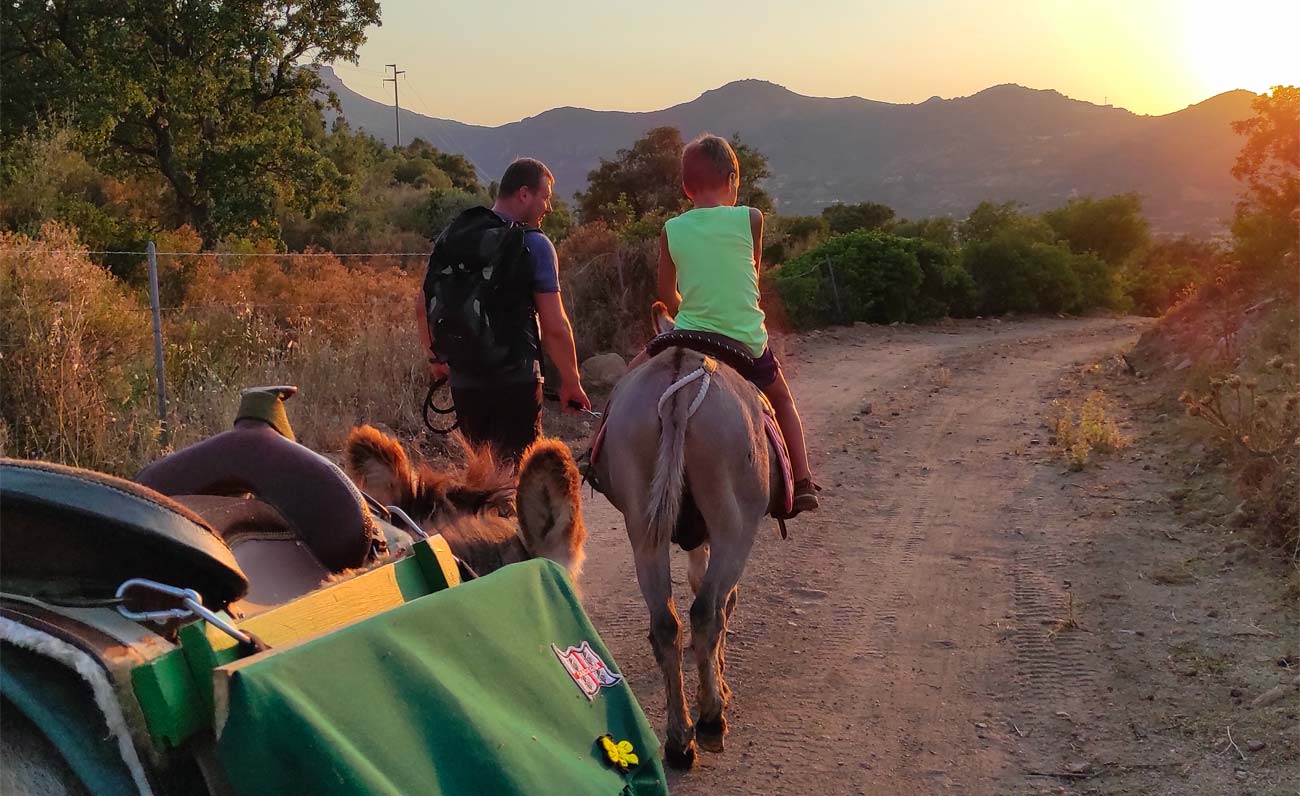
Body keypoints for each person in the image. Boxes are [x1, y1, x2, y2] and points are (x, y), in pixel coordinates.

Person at [645, 134, 819, 515]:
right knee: (784, 400)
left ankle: (594, 451)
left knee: (634, 374)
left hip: (690, 336)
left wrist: (690, 315)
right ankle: (803, 480)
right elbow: (750, 280)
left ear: (685, 187)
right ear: (732, 181)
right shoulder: (751, 219)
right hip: (744, 342)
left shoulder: (671, 229)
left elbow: (666, 294)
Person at [418, 157, 590, 464]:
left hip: (465, 380)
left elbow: (422, 303)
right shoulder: (533, 244)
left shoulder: (454, 235)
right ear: (524, 194)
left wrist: (436, 359)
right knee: (518, 479)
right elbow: (555, 326)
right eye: (545, 197)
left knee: (482, 478)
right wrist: (571, 382)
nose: (548, 208)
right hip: (516, 381)